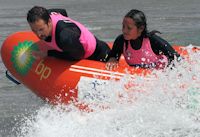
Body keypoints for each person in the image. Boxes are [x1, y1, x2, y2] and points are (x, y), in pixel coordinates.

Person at [27, 6, 110, 62]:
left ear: (49, 21)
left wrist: (48, 53)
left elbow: (78, 55)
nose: (38, 35)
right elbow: (62, 11)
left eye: (41, 29)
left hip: (98, 55)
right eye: (34, 30)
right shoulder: (48, 14)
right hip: (77, 42)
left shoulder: (65, 37)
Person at [106, 9, 181, 70]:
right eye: (123, 26)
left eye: (129, 28)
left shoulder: (152, 40)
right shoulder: (121, 41)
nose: (124, 31)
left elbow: (174, 56)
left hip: (158, 75)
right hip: (139, 77)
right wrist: (112, 59)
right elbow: (113, 55)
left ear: (141, 28)